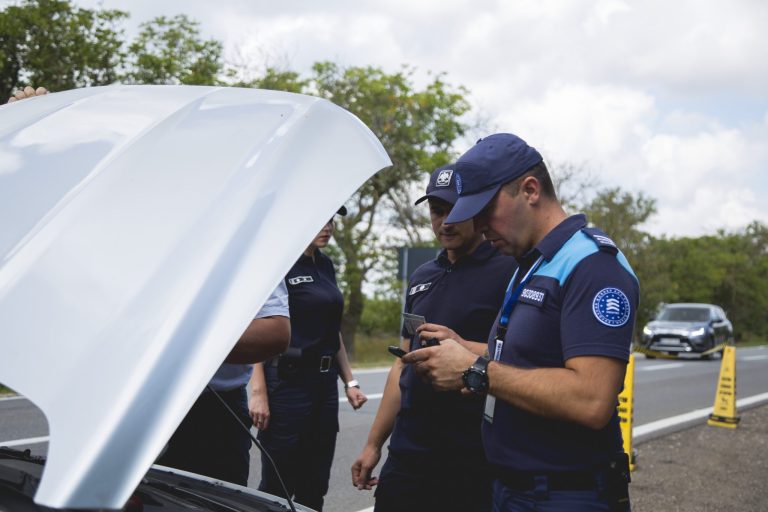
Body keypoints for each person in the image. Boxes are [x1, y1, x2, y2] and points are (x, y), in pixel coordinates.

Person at [403, 133, 639, 512]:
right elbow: (523, 357)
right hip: (512, 488)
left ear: (529, 190)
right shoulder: (530, 264)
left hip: (565, 493)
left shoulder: (593, 264)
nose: (478, 227)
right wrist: (462, 346)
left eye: (485, 211)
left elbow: (592, 399)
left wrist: (473, 370)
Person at [351, 165, 517, 511]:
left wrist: (465, 351)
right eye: (437, 211)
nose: (446, 222)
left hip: (470, 461)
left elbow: (522, 356)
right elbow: (402, 365)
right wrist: (373, 444)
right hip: (407, 458)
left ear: (477, 210)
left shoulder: (509, 271)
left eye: (457, 211)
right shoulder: (423, 276)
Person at [250, 208, 367, 511]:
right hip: (287, 383)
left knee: (315, 483)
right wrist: (259, 391)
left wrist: (350, 381)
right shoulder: (280, 264)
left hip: (324, 386)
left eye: (331, 220)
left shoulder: (326, 265)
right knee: (278, 484)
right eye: (320, 219)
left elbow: (333, 331)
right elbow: (258, 326)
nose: (327, 227)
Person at [157, 283, 291, 485]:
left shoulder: (248, 252)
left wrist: (177, 339)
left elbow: (276, 332)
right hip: (130, 403)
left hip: (214, 413)